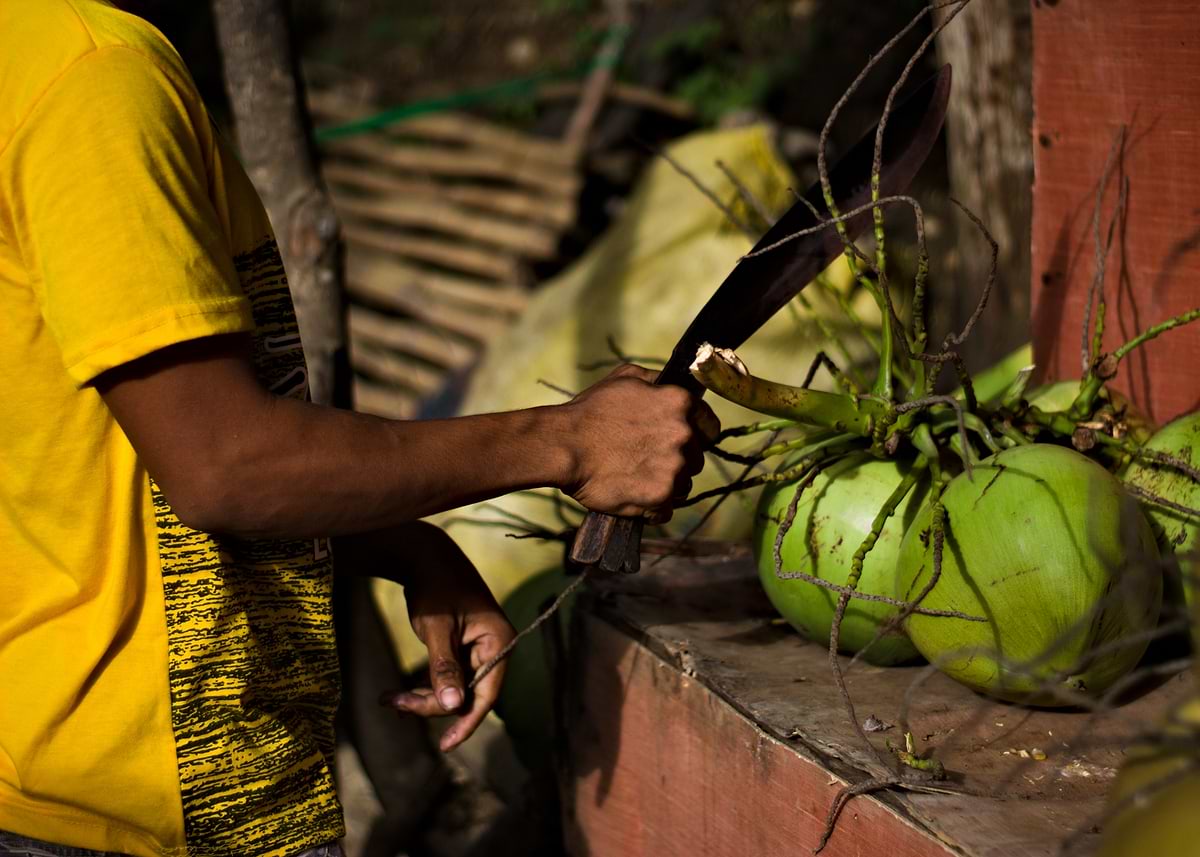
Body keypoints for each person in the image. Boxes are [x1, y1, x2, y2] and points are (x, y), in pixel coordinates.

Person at [0, 1, 716, 854]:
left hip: (37, 757)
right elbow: (225, 464)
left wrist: (399, 543)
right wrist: (571, 441)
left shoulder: (22, 56)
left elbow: (63, 431)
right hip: (154, 798)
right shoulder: (92, 78)